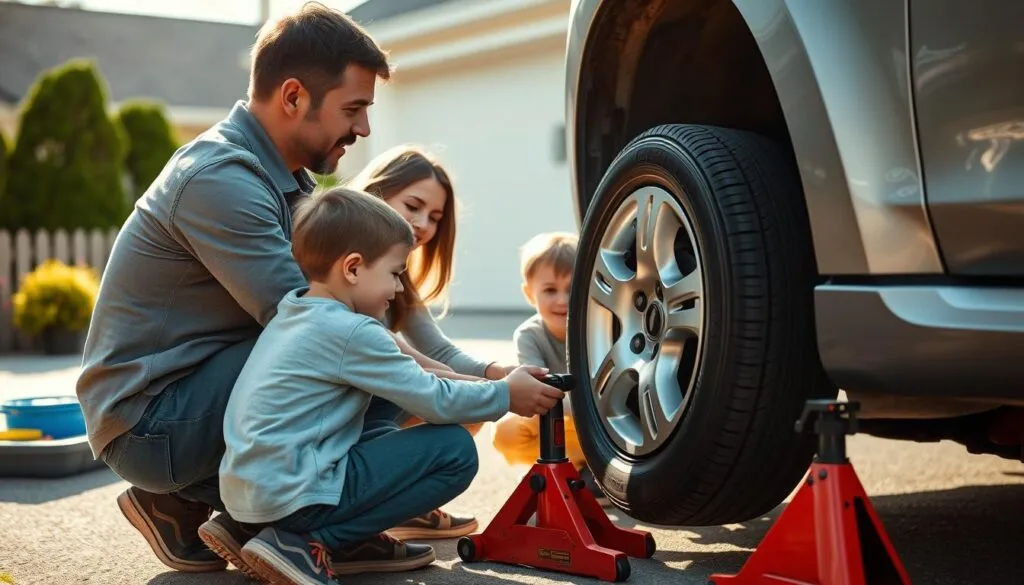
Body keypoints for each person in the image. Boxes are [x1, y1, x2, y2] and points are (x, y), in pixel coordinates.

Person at [73, 2, 433, 575]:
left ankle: (203, 505)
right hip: (150, 422)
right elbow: (317, 328)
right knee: (369, 362)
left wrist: (457, 374)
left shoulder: (289, 181)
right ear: (293, 98)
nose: (364, 128)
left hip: (192, 397)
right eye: (354, 108)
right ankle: (316, 526)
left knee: (376, 353)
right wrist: (452, 382)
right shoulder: (220, 179)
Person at [215, 187, 564, 585]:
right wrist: (504, 396)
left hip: (255, 491)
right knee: (455, 451)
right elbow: (434, 400)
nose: (399, 289)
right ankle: (313, 542)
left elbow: (419, 378)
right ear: (353, 268)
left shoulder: (297, 310)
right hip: (296, 496)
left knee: (386, 401)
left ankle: (256, 529)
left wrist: (495, 381)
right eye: (395, 273)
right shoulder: (352, 331)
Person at [343, 144, 520, 540]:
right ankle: (383, 501)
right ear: (376, 192)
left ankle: (405, 505)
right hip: (333, 417)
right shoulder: (342, 271)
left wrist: (498, 374)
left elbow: (438, 351)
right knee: (464, 403)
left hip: (366, 407)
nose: (423, 223)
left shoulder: (397, 279)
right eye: (413, 205)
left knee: (469, 396)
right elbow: (395, 351)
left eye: (435, 217)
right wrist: (493, 390)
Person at [492, 232, 610, 505]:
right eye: (550, 290)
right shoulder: (529, 335)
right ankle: (562, 468)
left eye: (572, 289)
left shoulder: (601, 328)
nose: (562, 300)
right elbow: (538, 392)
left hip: (598, 426)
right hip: (562, 420)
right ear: (529, 293)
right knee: (507, 433)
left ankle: (595, 468)